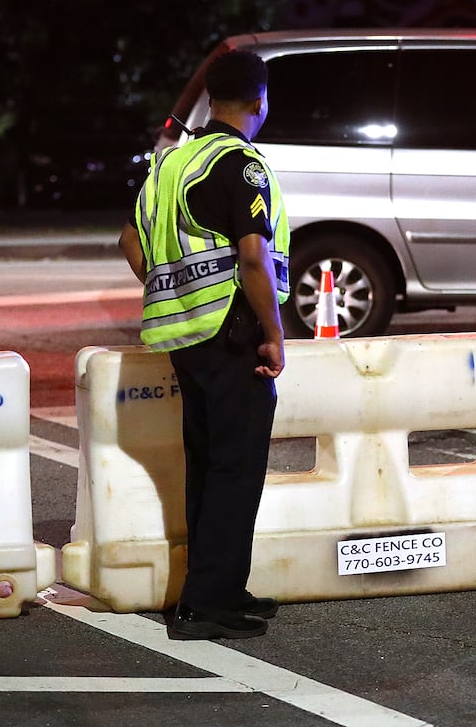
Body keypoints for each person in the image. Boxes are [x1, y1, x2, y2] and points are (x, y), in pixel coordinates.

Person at [118, 50, 291, 641]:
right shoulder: (239, 162)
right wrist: (272, 332)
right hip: (230, 332)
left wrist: (168, 285)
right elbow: (252, 257)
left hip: (183, 334)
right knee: (237, 467)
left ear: (211, 98)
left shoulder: (171, 163)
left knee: (210, 465)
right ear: (259, 102)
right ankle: (205, 604)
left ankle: (220, 586)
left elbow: (128, 240)